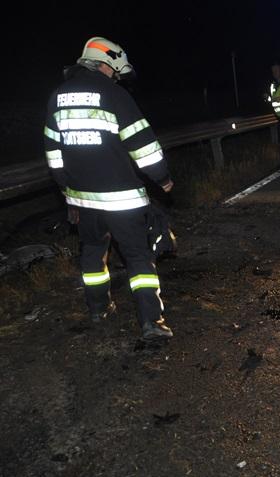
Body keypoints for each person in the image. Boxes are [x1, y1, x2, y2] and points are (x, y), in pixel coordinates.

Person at [43, 37, 174, 340]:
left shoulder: (57, 97)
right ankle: (152, 322)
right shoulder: (114, 94)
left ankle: (98, 309)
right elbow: (142, 144)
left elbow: (53, 153)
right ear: (108, 63)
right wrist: (163, 178)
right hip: (122, 201)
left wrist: (67, 191)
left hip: (82, 200)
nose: (116, 77)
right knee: (138, 257)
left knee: (92, 254)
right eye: (116, 71)